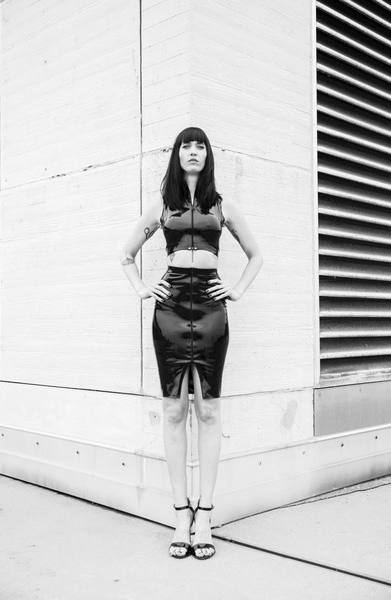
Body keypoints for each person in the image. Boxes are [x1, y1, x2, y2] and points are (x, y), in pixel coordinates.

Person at [119, 127, 263, 560]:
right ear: (178, 155)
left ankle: (206, 516)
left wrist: (236, 290)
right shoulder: (162, 207)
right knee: (173, 410)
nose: (194, 151)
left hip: (212, 310)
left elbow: (256, 255)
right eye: (187, 145)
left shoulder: (223, 206)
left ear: (207, 155)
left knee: (209, 410)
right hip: (171, 309)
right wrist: (143, 288)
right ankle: (181, 514)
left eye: (200, 146)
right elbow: (126, 255)